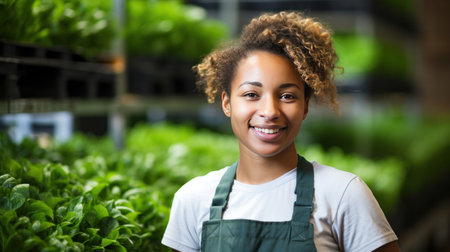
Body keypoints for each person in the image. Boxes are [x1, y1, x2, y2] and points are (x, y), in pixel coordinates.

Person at [162, 11, 400, 252]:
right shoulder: (193, 199)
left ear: (305, 106)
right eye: (251, 94)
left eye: (287, 96)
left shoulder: (343, 194)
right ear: (227, 103)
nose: (270, 111)